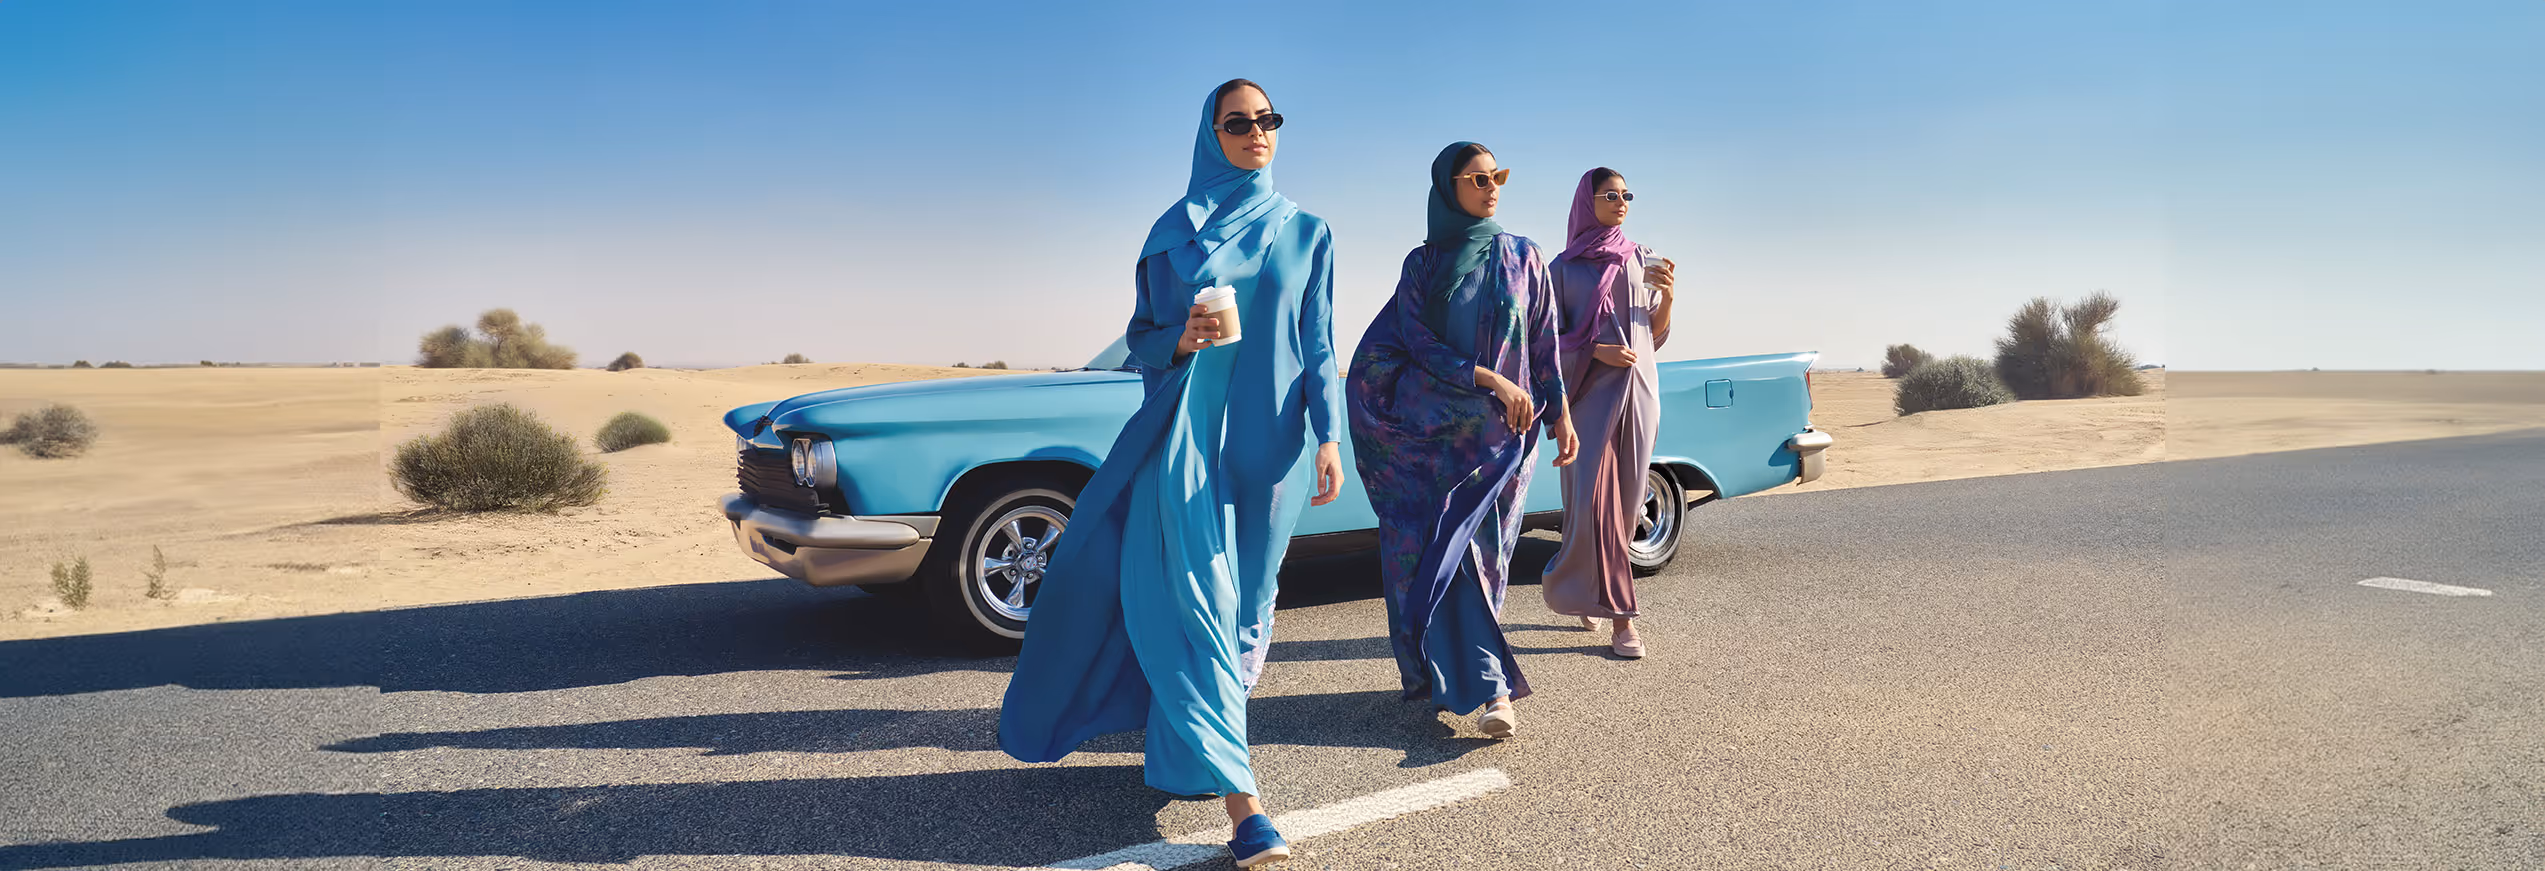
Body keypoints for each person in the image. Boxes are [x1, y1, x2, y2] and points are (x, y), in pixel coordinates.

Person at [997, 78, 1346, 868]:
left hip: (1272, 449)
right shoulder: (1170, 233)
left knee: (1248, 605)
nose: (1257, 132)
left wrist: (1331, 434)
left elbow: (1320, 341)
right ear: (1209, 134)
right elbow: (1140, 337)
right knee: (1201, 600)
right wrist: (1180, 340)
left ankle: (1189, 748)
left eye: (1268, 120)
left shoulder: (1307, 231)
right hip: (1185, 442)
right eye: (1238, 122)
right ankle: (1245, 806)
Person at [1347, 141, 1578, 740]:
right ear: (1449, 188)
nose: (1491, 186)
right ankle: (1491, 688)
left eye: (1497, 175)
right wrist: (1488, 379)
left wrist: (1563, 416)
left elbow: (1545, 345)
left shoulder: (1526, 256)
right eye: (1477, 178)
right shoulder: (1424, 264)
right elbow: (1416, 344)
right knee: (1452, 552)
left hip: (1509, 437)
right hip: (1443, 435)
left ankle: (1479, 677)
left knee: (1492, 554)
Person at [1542, 167, 1676, 658]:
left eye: (1627, 195)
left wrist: (1668, 298)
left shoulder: (1640, 258)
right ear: (1587, 201)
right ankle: (1623, 621)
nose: (1622, 202)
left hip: (1640, 396)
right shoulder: (1561, 269)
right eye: (1611, 195)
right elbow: (1544, 343)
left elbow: (1654, 335)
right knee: (1591, 507)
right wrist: (1593, 351)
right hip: (1587, 403)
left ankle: (1581, 587)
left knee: (1626, 504)